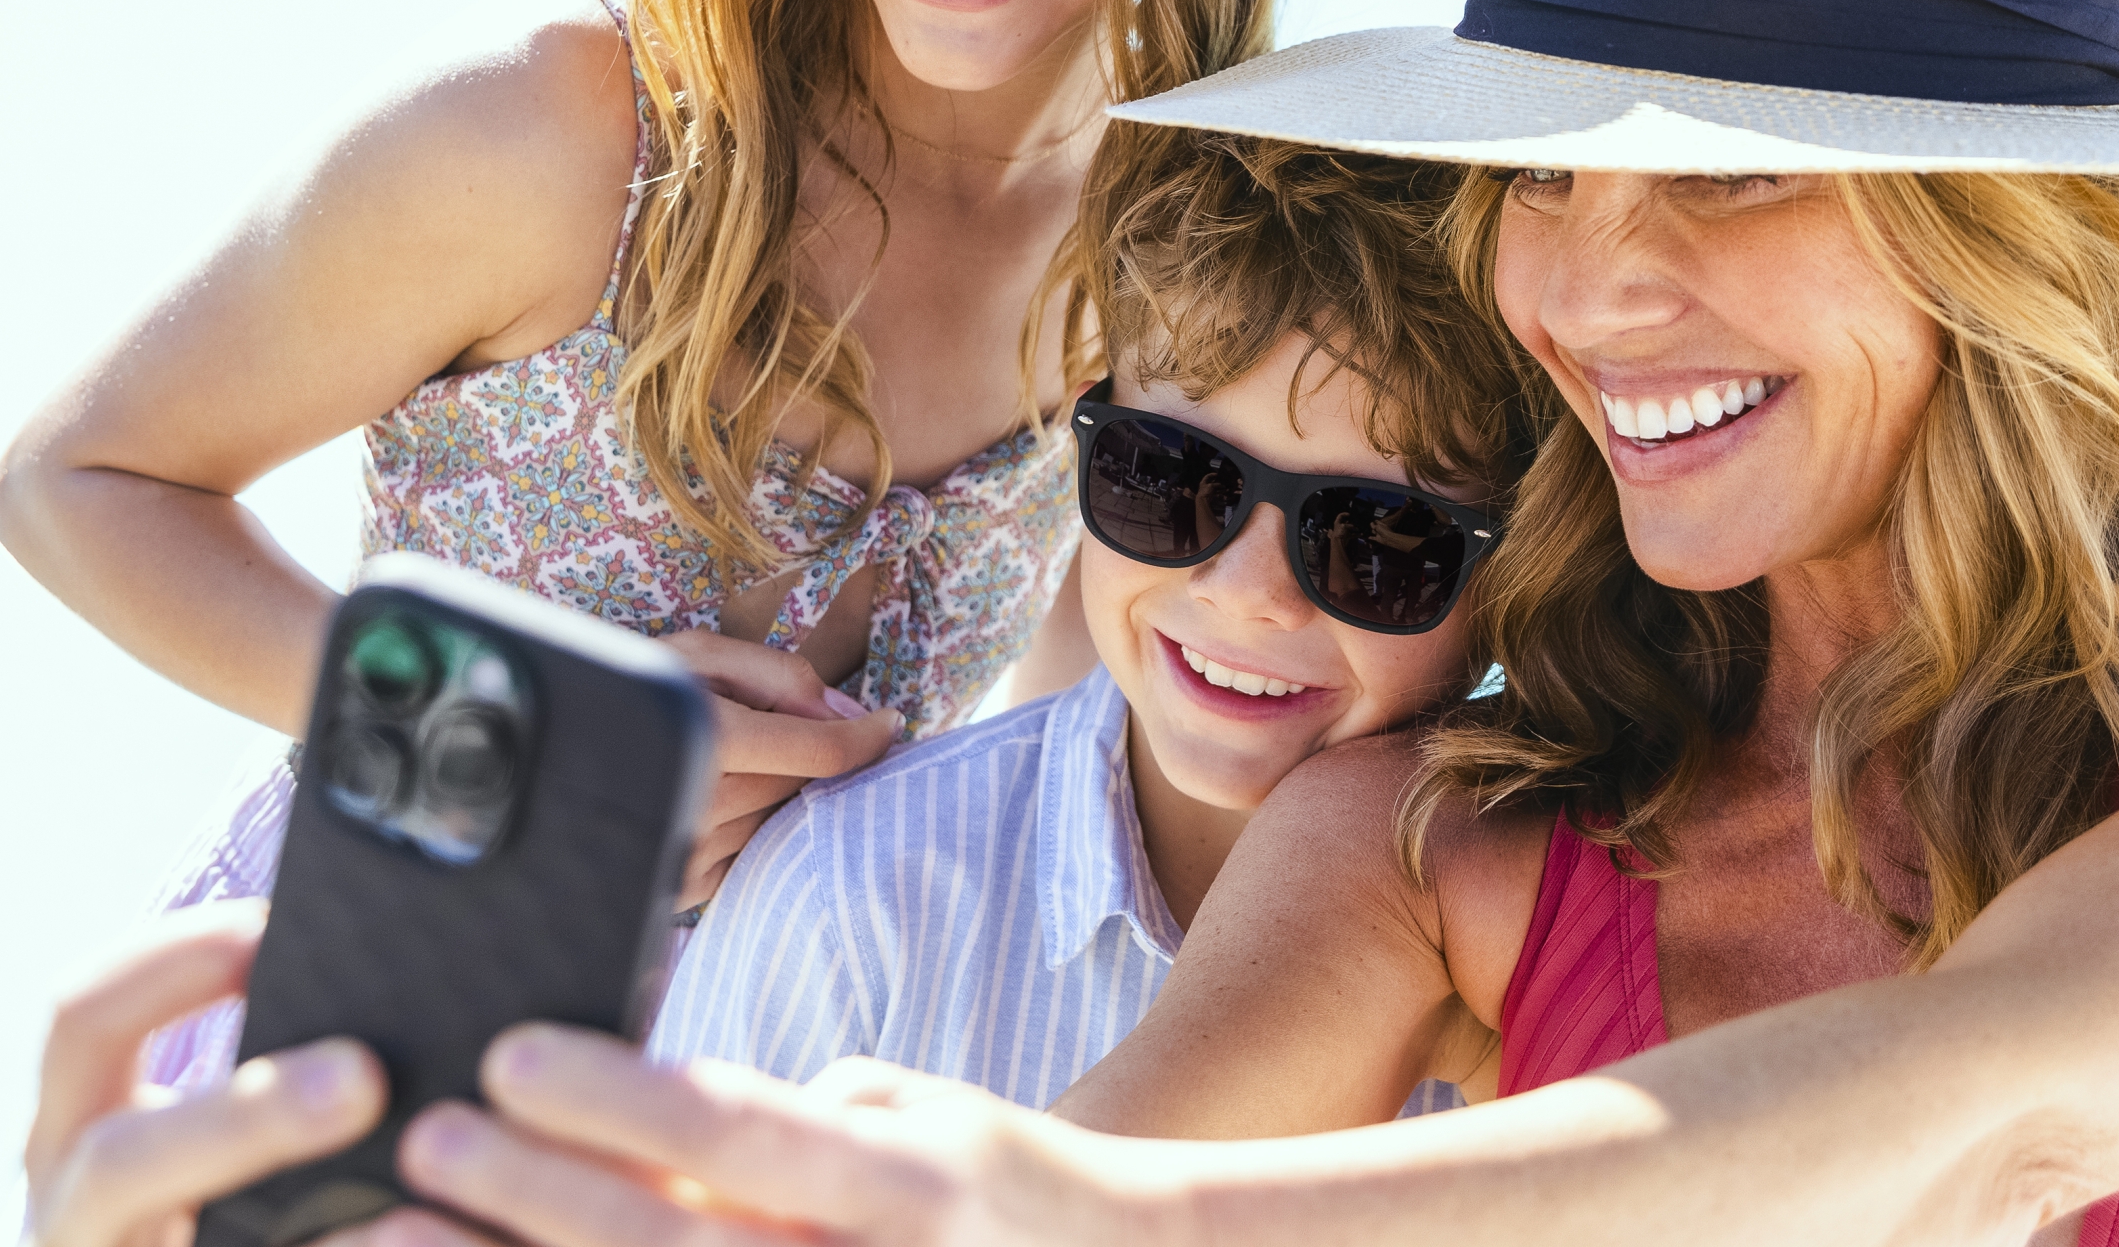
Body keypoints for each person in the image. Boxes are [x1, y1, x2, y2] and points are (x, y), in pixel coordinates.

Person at [14, 0, 2119, 1247]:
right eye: (1547, 180)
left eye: (1727, 175)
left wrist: (1081, 1222)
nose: (1590, 285)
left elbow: (1999, 1096)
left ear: (2026, 244)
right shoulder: (1427, 833)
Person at [0, 0, 1381, 1083]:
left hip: (766, 1119)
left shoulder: (1157, 238)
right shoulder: (564, 130)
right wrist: (520, 752)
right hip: (348, 1071)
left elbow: (1059, 727)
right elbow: (75, 485)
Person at [647, 136, 1544, 1111]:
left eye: (1378, 539)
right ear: (1092, 433)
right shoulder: (845, 896)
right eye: (1170, 476)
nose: (1246, 590)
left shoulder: (1558, 964)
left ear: (1519, 570)